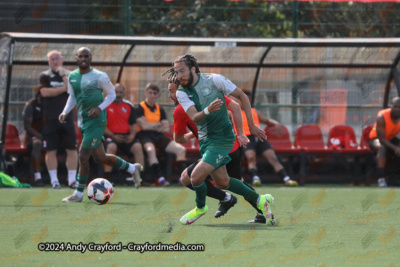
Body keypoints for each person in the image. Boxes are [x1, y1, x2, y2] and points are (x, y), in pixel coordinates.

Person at [168, 54, 274, 225]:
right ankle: (260, 201)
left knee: (194, 178)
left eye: (182, 71)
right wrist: (208, 111)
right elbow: (195, 117)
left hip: (223, 140)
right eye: (176, 72)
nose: (179, 76)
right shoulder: (182, 93)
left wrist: (249, 127)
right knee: (223, 181)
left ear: (193, 68)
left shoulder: (215, 80)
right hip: (207, 143)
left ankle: (201, 207)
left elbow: (240, 99)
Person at [59, 47, 142, 203]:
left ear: (91, 58)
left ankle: (78, 194)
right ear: (76, 58)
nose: (84, 59)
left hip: (97, 121)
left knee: (83, 155)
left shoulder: (100, 76)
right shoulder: (72, 77)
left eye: (87, 56)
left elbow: (111, 94)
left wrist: (99, 108)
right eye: (81, 56)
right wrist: (65, 111)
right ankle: (132, 168)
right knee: (100, 157)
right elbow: (72, 97)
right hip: (84, 121)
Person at [232, 92, 298, 187]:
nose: (243, 101)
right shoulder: (234, 112)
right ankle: (255, 178)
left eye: (246, 99)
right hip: (246, 138)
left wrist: (276, 123)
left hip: (259, 137)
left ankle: (286, 179)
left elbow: (266, 120)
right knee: (251, 157)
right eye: (241, 98)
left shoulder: (254, 111)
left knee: (273, 158)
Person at [38, 50, 78, 189]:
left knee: (72, 149)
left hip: (66, 119)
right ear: (49, 62)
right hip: (50, 120)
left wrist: (64, 77)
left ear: (62, 59)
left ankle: (72, 180)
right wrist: (63, 88)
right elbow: (45, 92)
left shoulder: (70, 74)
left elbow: (72, 90)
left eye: (57, 58)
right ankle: (54, 181)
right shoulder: (44, 76)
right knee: (51, 150)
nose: (55, 61)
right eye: (52, 59)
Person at [136, 83, 186, 186]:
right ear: (146, 93)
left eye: (155, 93)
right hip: (145, 136)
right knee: (150, 150)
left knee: (181, 150)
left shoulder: (160, 109)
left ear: (158, 95)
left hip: (158, 136)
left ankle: (182, 178)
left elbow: (166, 127)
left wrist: (151, 125)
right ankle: (160, 178)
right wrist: (157, 125)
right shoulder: (140, 108)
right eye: (150, 93)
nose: (152, 95)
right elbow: (144, 126)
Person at [104, 83, 144, 186]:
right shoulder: (105, 104)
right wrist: (113, 136)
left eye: (120, 92)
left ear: (124, 93)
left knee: (138, 147)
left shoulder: (129, 105)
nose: (118, 94)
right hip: (111, 136)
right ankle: (108, 178)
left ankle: (138, 177)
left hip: (126, 137)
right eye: (116, 92)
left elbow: (134, 124)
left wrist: (132, 135)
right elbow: (102, 126)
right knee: (111, 147)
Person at [368, 97, 400, 187]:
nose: (398, 109)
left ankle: (394, 176)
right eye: (396, 107)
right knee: (382, 147)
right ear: (391, 106)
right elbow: (381, 139)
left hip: (391, 138)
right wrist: (396, 148)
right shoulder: (382, 116)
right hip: (375, 139)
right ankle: (381, 178)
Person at [23, 92, 44, 186]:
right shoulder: (30, 105)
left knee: (71, 143)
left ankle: (70, 178)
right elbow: (27, 126)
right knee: (37, 143)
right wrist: (39, 135)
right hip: (33, 136)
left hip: (50, 135)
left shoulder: (52, 104)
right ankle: (37, 177)